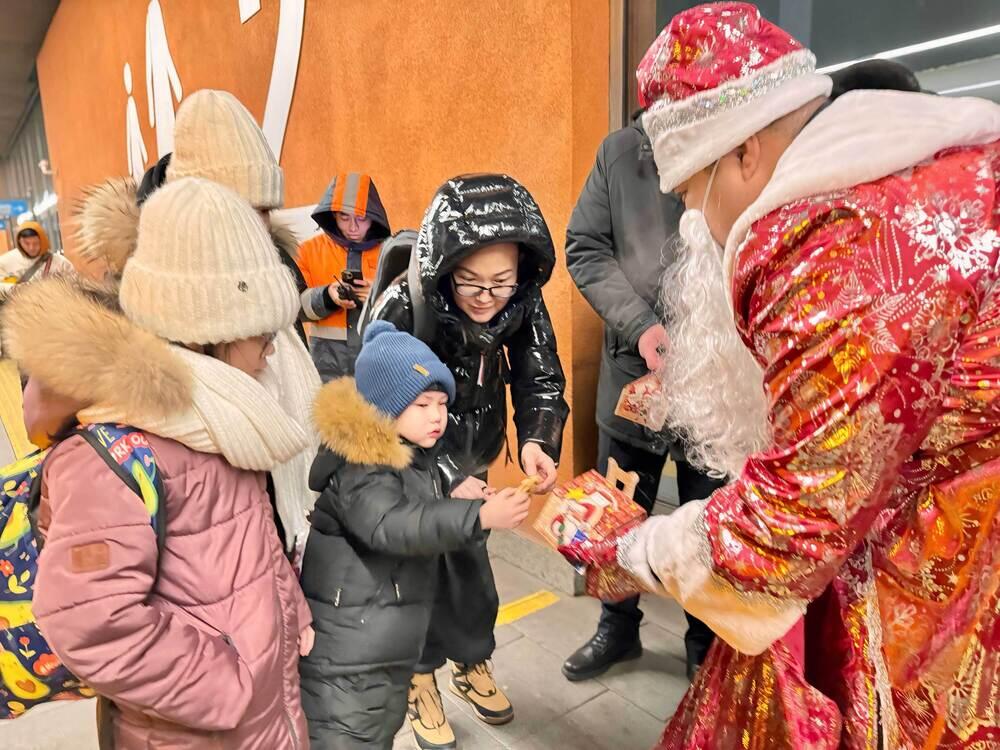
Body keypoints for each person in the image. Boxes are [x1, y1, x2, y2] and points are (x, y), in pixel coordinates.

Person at [561, 4, 1000, 748]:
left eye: (694, 196)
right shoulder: (932, 175)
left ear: (746, 154)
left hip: (934, 598)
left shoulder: (818, 241)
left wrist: (627, 545)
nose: (699, 226)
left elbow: (787, 532)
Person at [3, 177, 313, 748]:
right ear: (209, 329)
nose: (276, 342)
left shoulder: (223, 417)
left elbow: (244, 539)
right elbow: (88, 621)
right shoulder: (117, 454)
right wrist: (227, 688)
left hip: (260, 714)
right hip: (190, 729)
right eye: (263, 327)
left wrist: (288, 606)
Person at [72, 89, 320, 562]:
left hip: (282, 554)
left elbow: (294, 395)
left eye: (267, 211)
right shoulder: (136, 308)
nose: (260, 227)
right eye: (250, 211)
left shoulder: (272, 268)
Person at [370, 173, 568, 749]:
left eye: (501, 282)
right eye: (470, 282)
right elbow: (374, 413)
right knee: (412, 574)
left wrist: (538, 440)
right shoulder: (403, 305)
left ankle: (470, 661)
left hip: (471, 462)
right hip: (410, 472)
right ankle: (417, 677)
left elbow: (542, 379)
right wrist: (444, 477)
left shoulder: (521, 302)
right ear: (442, 270)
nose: (486, 297)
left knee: (471, 573)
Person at [298, 321, 531, 749]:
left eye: (442, 403)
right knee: (349, 734)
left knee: (375, 728)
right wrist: (477, 517)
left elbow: (416, 504)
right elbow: (395, 524)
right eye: (422, 404)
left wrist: (461, 491)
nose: (438, 415)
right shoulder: (360, 465)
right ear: (385, 408)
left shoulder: (409, 454)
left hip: (378, 638)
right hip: (350, 650)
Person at [563, 97, 722, 683]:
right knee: (618, 511)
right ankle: (616, 626)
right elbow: (585, 246)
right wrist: (642, 325)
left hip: (713, 379)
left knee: (710, 516)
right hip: (635, 370)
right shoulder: (621, 153)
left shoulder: (730, 150)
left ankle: (707, 640)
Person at [296, 173, 391, 380]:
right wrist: (328, 297)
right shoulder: (308, 251)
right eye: (344, 217)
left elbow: (412, 307)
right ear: (332, 216)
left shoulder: (391, 252)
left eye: (361, 218)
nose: (353, 227)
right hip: (327, 367)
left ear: (374, 217)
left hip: (380, 361)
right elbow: (294, 310)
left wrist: (380, 296)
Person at [0, 222, 73, 296]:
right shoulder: (5, 261)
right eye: (26, 243)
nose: (31, 248)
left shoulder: (59, 262)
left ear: (43, 241)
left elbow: (74, 284)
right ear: (19, 241)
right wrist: (12, 288)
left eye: (36, 243)